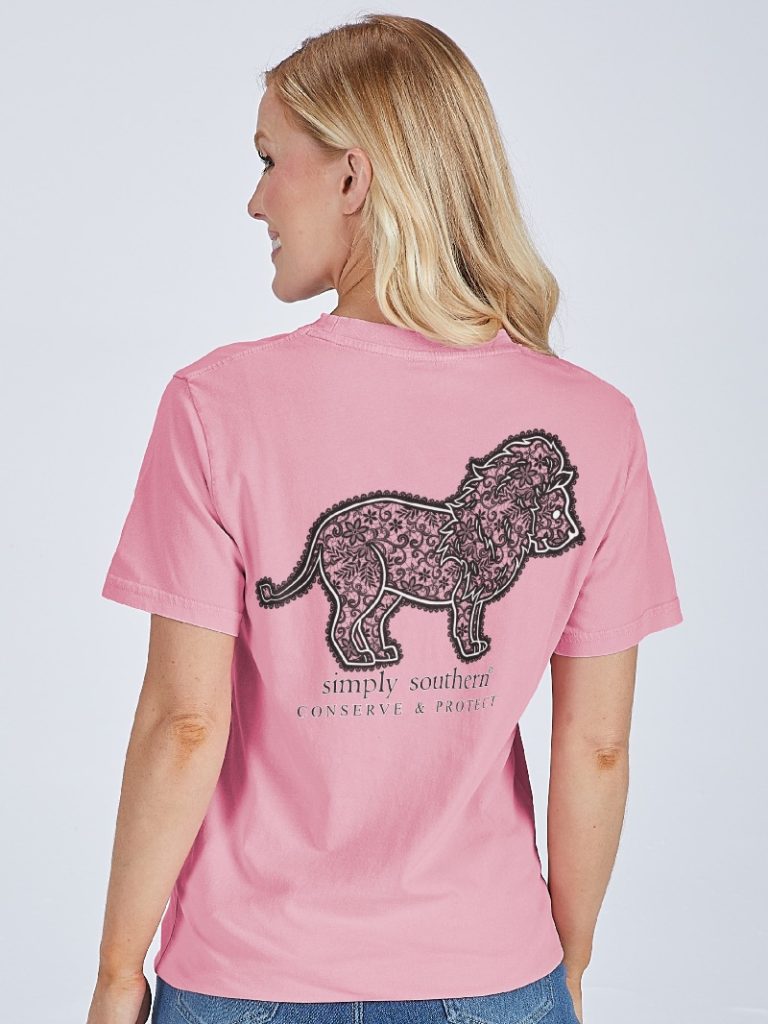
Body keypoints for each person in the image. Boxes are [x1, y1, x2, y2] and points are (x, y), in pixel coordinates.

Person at [86, 13, 683, 1024]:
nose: (255, 200)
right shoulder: (598, 421)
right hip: (491, 968)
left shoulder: (215, 405)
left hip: (250, 974)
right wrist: (564, 964)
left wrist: (115, 975)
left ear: (353, 179)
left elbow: (185, 723)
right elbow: (597, 746)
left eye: (271, 159)